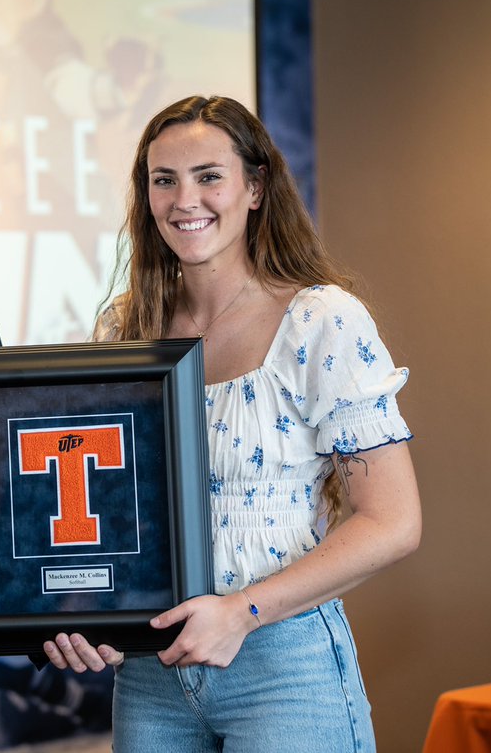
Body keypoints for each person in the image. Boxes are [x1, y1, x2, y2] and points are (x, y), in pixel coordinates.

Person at [39, 95, 422, 751]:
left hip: (284, 667)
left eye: (208, 176)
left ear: (256, 187)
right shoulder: (125, 328)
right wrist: (87, 612)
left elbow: (393, 522)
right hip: (151, 671)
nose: (184, 199)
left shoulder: (321, 320)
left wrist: (242, 612)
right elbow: (107, 513)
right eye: (164, 180)